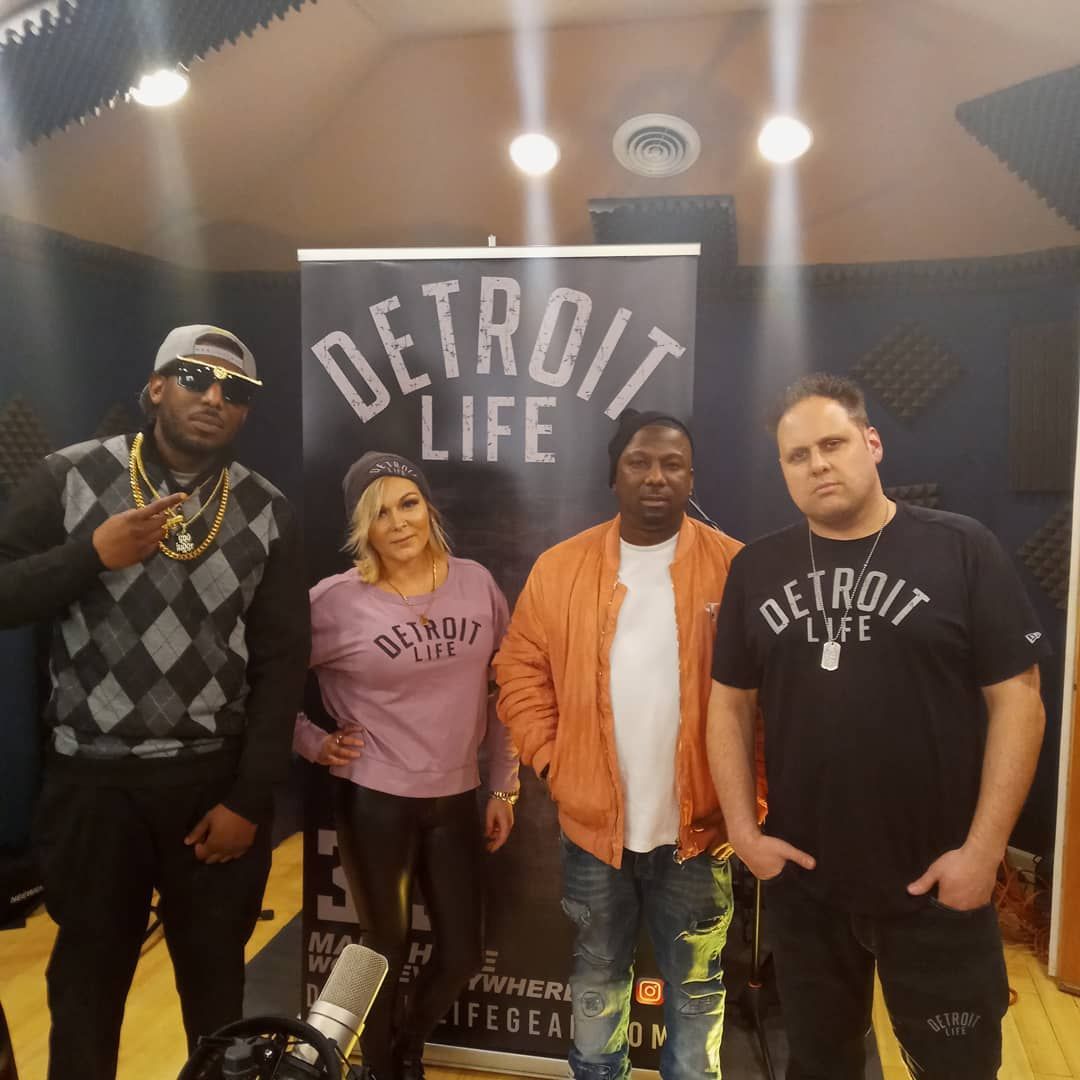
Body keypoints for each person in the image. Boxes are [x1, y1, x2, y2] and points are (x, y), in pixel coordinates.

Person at [707, 372, 1047, 1079]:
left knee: (957, 1069)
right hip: (805, 888)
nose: (817, 465)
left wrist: (984, 852)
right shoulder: (756, 568)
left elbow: (1019, 700)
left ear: (873, 442)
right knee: (819, 1065)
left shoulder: (961, 548)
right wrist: (744, 832)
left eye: (832, 444)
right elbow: (728, 705)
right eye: (797, 455)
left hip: (937, 882)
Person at [0, 325, 311, 1080]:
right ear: (156, 387)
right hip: (91, 783)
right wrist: (90, 556)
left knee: (217, 990)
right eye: (196, 378)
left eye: (235, 390)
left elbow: (282, 664)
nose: (214, 397)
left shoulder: (268, 509)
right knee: (86, 984)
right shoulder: (68, 476)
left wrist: (249, 800)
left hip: (210, 784)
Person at [494, 409, 746, 1080]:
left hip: (699, 834)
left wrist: (749, 807)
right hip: (592, 833)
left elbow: (772, 698)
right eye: (640, 462)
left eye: (672, 464)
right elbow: (518, 669)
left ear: (691, 476)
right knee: (597, 974)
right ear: (614, 474)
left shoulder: (736, 568)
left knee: (696, 987)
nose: (656, 476)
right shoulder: (560, 568)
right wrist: (551, 759)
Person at [293, 451, 519, 1080]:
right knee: (383, 947)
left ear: (428, 506)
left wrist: (504, 787)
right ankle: (381, 1070)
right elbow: (263, 681)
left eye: (408, 503)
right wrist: (311, 741)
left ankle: (407, 1043)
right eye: (379, 513)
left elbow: (506, 689)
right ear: (360, 527)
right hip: (375, 796)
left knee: (463, 953)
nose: (398, 523)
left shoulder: (476, 583)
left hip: (456, 795)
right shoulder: (333, 602)